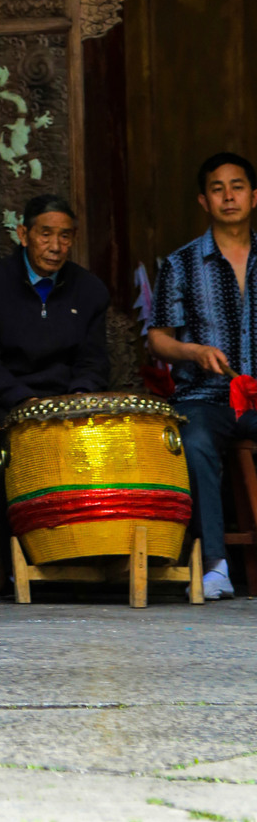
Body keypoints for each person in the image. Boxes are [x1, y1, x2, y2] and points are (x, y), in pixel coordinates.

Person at [148, 152, 257, 601]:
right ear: (203, 200)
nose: (228, 196)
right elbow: (157, 339)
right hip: (206, 397)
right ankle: (215, 564)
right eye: (217, 188)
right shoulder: (181, 263)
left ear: (254, 195)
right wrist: (191, 351)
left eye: (237, 186)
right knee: (192, 442)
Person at [0, 194, 109, 444]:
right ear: (23, 234)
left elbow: (93, 362)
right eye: (45, 234)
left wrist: (79, 398)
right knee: (35, 443)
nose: (55, 247)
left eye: (65, 236)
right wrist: (27, 403)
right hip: (6, 401)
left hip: (69, 401)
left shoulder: (90, 290)